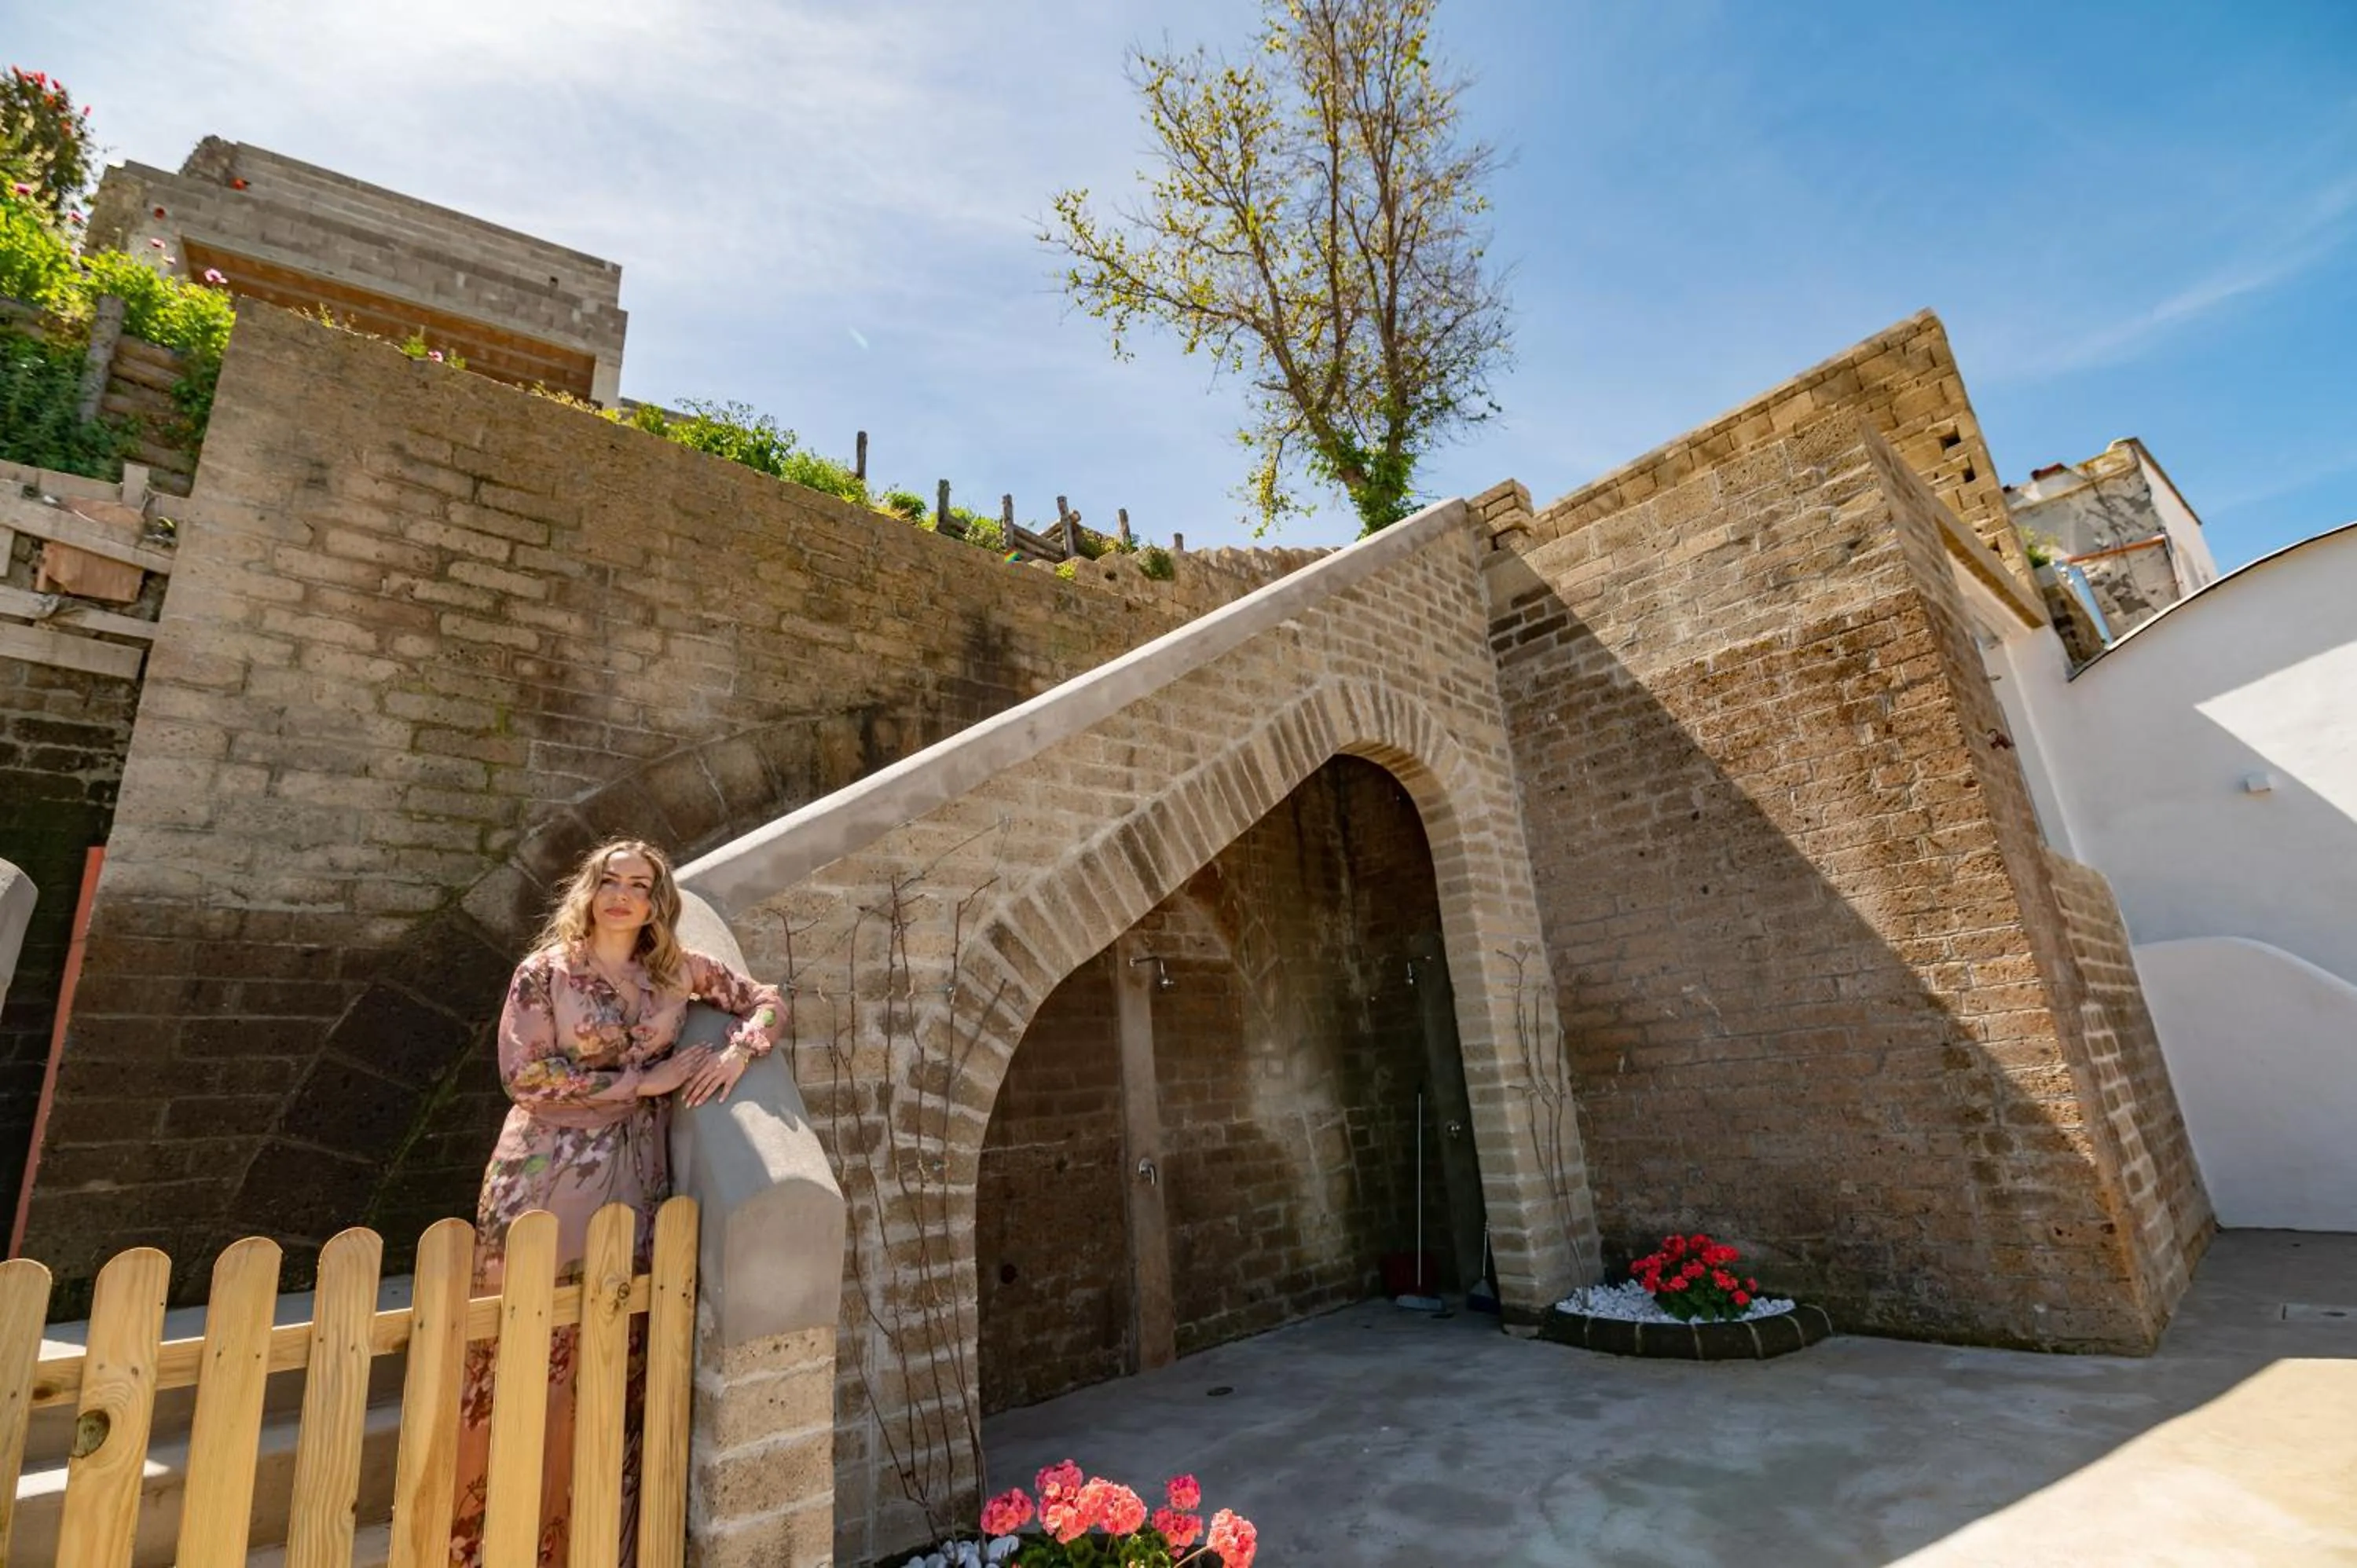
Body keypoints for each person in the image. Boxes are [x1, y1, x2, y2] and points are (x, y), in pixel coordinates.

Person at [449, 838, 788, 1568]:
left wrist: (738, 1052)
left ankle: (596, 1544)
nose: (622, 896)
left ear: (657, 902)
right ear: (590, 891)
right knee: (524, 1353)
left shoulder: (678, 972)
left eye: (639, 885)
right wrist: (646, 1082)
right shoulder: (545, 973)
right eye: (610, 881)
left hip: (635, 1184)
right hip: (545, 1179)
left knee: (609, 1356)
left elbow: (766, 1000)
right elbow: (526, 1077)